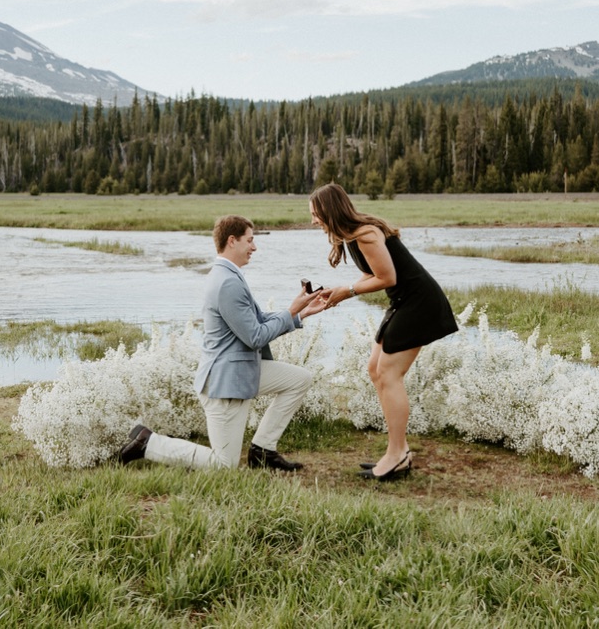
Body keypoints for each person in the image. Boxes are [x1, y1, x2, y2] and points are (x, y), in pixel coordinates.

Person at [118, 214, 328, 471]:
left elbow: (256, 320)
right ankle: (148, 443)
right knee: (223, 464)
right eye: (249, 240)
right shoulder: (227, 282)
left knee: (299, 379)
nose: (254, 247)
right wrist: (291, 310)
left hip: (241, 368)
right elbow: (255, 336)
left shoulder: (228, 275)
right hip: (226, 381)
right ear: (232, 241)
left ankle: (263, 451)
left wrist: (300, 313)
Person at [309, 183, 458, 481]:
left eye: (315, 214)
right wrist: (338, 291)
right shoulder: (352, 236)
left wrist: (348, 291)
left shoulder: (365, 234)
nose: (313, 221)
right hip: (404, 301)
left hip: (419, 302)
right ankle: (399, 450)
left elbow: (387, 277)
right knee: (375, 369)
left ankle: (396, 455)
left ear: (330, 211)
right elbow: (372, 272)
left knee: (389, 374)